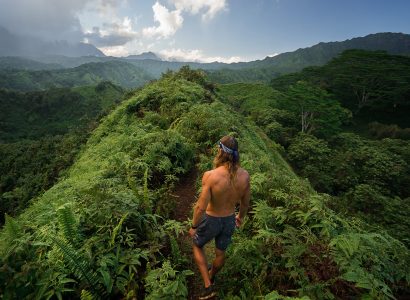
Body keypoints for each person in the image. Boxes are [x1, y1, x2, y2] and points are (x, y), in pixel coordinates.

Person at [189, 135, 250, 299]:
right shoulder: (245, 176)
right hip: (229, 220)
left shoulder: (211, 176)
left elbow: (201, 207)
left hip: (211, 220)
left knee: (196, 245)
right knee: (220, 254)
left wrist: (194, 226)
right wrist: (240, 218)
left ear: (220, 152)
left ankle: (208, 286)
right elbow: (244, 204)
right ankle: (212, 274)